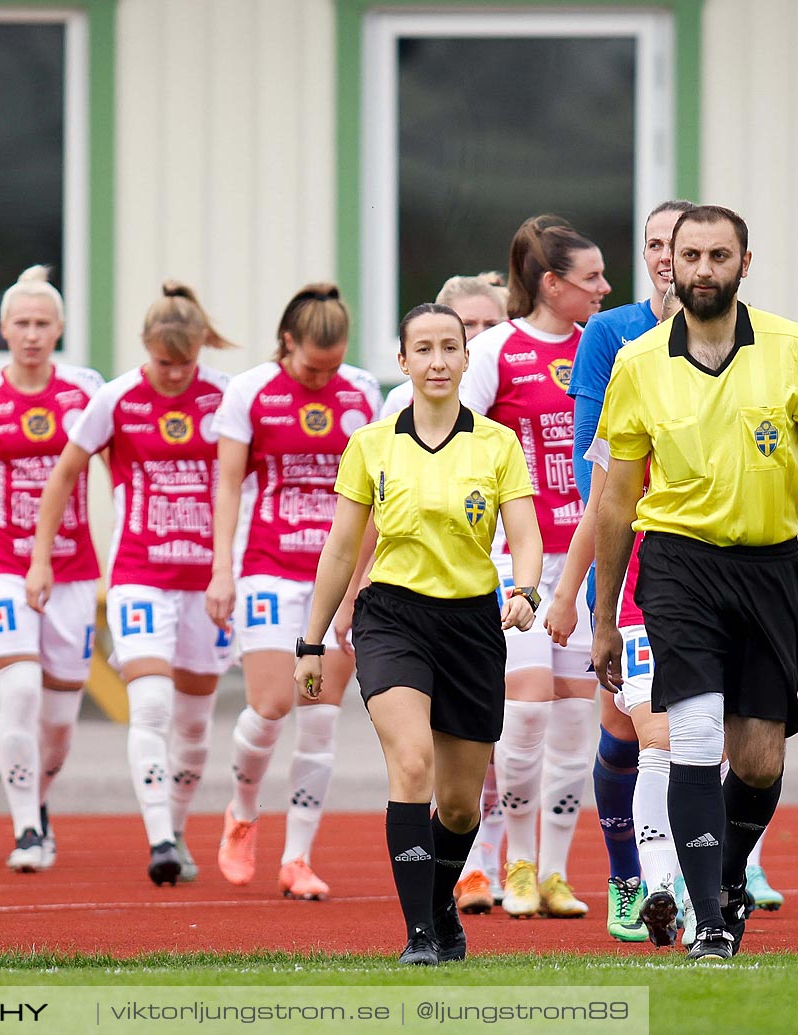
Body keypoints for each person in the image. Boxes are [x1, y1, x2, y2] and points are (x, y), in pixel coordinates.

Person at [590, 204, 798, 961]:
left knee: (757, 758)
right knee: (691, 730)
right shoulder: (638, 362)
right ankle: (710, 917)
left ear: (744, 263)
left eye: (720, 255)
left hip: (769, 566)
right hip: (678, 562)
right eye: (692, 256)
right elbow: (616, 499)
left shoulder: (792, 348)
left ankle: (731, 875)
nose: (704, 269)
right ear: (671, 264)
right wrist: (604, 613)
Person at [298, 302, 542, 965]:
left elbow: (524, 534)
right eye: (423, 349)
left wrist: (524, 590)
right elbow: (341, 550)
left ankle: (437, 905)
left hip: (471, 625)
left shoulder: (497, 443)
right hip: (393, 618)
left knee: (461, 807)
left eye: (449, 348)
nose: (438, 361)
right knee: (412, 764)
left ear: (466, 358)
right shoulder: (372, 444)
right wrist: (311, 641)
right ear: (402, 361)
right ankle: (420, 935)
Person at [28, 282, 235, 887]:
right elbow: (63, 474)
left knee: (195, 726)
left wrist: (231, 567)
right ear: (145, 348)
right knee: (151, 706)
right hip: (140, 577)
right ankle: (160, 839)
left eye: (185, 363)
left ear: (201, 351)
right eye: (163, 362)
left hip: (209, 584)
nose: (174, 375)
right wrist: (41, 558)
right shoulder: (116, 399)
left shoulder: (225, 397)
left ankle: (178, 825)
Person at [207, 283, 383, 899]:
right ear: (288, 343)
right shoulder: (250, 391)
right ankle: (242, 812)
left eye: (332, 365)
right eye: (313, 365)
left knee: (318, 718)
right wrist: (221, 570)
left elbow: (377, 497)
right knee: (273, 704)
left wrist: (362, 581)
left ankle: (299, 857)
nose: (323, 376)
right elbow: (227, 485)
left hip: (332, 577)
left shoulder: (362, 392)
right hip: (265, 566)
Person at [460, 216, 610, 921]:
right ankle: (514, 862)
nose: (605, 289)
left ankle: (555, 872)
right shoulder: (494, 350)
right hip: (512, 558)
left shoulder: (601, 348)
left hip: (584, 560)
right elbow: (454, 444)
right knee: (523, 712)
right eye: (592, 278)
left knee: (577, 726)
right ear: (551, 284)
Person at [0, 266, 106, 871]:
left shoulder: (86, 391)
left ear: (59, 329)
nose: (32, 334)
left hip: (74, 567)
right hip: (2, 563)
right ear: (3, 328)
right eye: (21, 324)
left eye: (43, 324)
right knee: (19, 690)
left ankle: (38, 803)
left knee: (59, 721)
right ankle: (26, 829)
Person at [377, 273, 507, 422]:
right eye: (468, 324)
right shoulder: (402, 399)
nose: (481, 333)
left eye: (491, 324)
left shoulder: (519, 384)